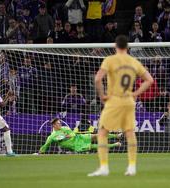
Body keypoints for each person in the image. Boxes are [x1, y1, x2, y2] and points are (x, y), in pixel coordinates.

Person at [88, 35, 153, 176]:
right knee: (130, 133)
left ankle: (104, 167)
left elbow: (98, 78)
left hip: (114, 100)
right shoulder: (133, 61)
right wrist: (135, 93)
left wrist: (102, 95)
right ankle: (132, 167)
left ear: (115, 46)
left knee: (103, 132)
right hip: (129, 100)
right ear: (127, 47)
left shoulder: (110, 60)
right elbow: (149, 80)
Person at [39, 118, 122, 154]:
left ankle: (116, 136)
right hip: (77, 145)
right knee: (97, 146)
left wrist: (69, 135)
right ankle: (115, 144)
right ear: (54, 125)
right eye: (58, 123)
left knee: (96, 135)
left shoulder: (65, 128)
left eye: (60, 122)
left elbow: (72, 134)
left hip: (79, 137)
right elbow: (46, 145)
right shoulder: (52, 136)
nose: (60, 123)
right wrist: (40, 152)